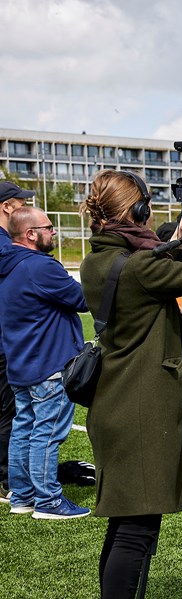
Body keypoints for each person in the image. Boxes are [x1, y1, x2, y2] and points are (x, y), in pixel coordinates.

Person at [79, 170, 182, 598]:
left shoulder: (97, 260)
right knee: (137, 531)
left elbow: (145, 267)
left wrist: (179, 239)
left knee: (126, 523)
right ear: (140, 210)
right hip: (141, 409)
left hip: (118, 403)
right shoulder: (141, 268)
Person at [0, 206, 89, 519]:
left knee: (23, 430)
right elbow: (83, 299)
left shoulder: (8, 264)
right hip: (48, 364)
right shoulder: (37, 266)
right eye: (49, 227)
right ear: (31, 234)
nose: (54, 232)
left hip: (21, 363)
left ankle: (22, 497)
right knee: (46, 435)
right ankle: (48, 502)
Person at [0, 182, 34, 503]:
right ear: (9, 207)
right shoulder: (5, 245)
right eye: (22, 205)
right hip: (5, 342)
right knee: (11, 413)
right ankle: (7, 480)